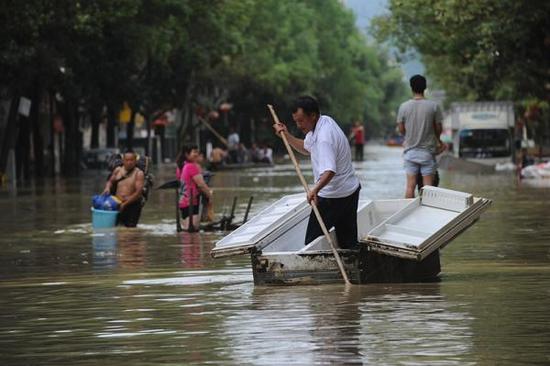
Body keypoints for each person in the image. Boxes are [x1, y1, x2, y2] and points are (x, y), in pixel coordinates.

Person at [272, 96, 361, 249]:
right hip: (350, 190)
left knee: (311, 243)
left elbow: (329, 170)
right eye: (296, 121)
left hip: (333, 196)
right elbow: (307, 148)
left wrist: (315, 190)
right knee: (348, 244)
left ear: (312, 115)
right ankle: (352, 268)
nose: (299, 125)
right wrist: (285, 136)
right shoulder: (323, 122)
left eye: (301, 121)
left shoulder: (324, 137)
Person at [397, 74, 444, 198]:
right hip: (427, 153)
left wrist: (410, 135)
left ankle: (408, 214)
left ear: (411, 88)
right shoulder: (433, 106)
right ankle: (426, 214)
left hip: (410, 152)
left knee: (410, 186)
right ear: (425, 87)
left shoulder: (403, 107)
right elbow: (438, 128)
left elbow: (401, 129)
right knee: (428, 188)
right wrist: (438, 139)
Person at [102, 150, 145, 227]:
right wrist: (107, 188)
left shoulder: (139, 173)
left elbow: (138, 193)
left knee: (130, 230)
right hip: (117, 204)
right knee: (115, 228)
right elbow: (110, 181)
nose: (129, 162)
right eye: (127, 160)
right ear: (123, 161)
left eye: (131, 160)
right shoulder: (118, 170)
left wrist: (125, 204)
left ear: (135, 161)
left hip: (132, 206)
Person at [176, 145, 213, 231]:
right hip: (191, 202)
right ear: (187, 154)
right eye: (194, 152)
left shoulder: (181, 166)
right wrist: (210, 195)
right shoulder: (192, 166)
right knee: (193, 231)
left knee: (186, 230)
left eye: (197, 152)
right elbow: (201, 184)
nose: (197, 154)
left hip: (183, 202)